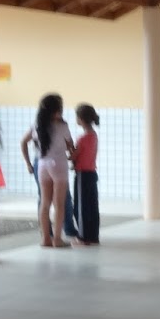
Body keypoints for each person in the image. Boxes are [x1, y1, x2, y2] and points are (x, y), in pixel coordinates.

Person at [21, 93, 72, 249]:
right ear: (57, 110)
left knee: (45, 203)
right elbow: (70, 146)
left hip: (42, 165)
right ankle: (57, 239)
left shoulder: (37, 125)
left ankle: (45, 239)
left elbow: (23, 142)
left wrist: (28, 163)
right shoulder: (62, 126)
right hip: (59, 165)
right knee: (59, 204)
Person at [72, 104, 101, 246]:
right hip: (92, 173)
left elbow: (74, 156)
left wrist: (69, 148)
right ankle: (93, 236)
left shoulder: (82, 138)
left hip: (82, 174)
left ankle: (83, 237)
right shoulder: (94, 136)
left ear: (81, 119)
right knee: (92, 206)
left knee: (81, 207)